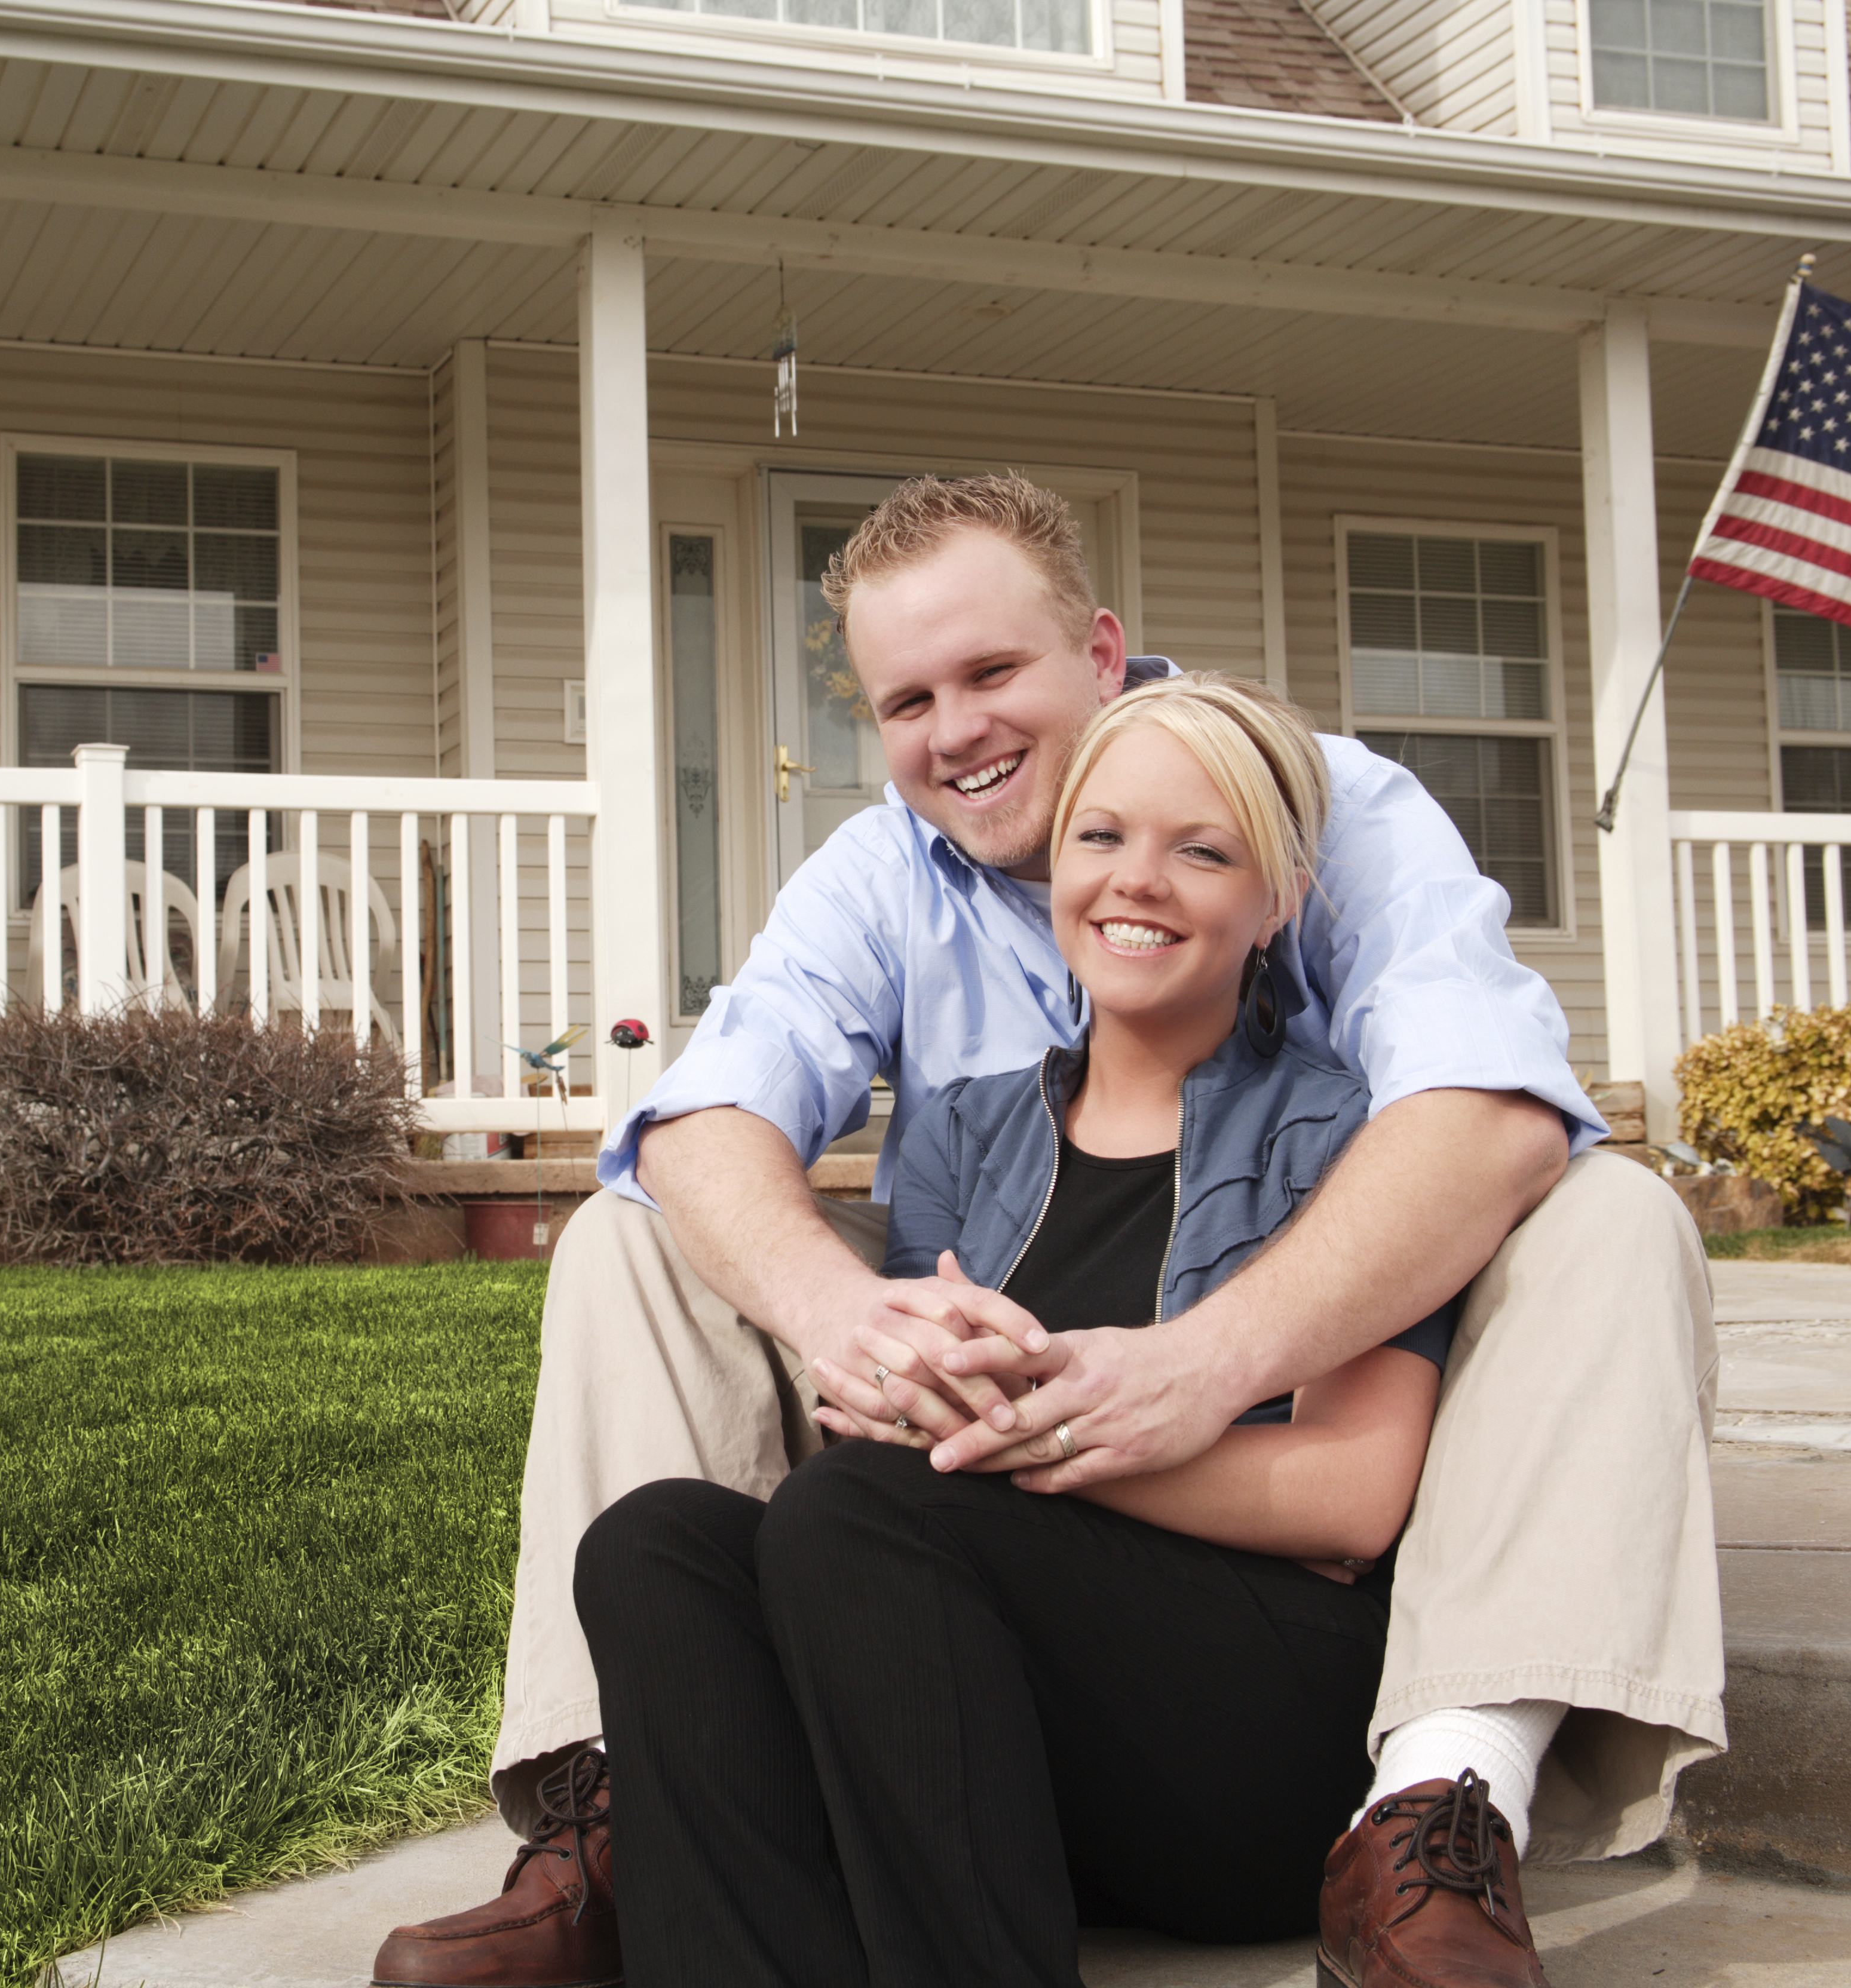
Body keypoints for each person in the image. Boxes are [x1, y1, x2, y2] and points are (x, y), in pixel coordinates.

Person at [370, 475, 1720, 1988]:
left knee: (1610, 1209)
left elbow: (1489, 1110)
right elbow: (704, 1121)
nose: (955, 731)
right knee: (643, 1292)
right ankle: (636, 1811)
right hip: (970, 1547)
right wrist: (847, 1322)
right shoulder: (917, 960)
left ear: (1100, 648)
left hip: (1248, 1569)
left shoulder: (1330, 826)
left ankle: (1433, 1805)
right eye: (908, 698)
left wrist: (1185, 1374)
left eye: (993, 672)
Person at [574, 673, 1479, 1986]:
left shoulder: (1346, 1136)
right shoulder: (963, 1122)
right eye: (1103, 837)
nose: (1138, 881)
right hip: (1017, 1729)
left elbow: (1353, 1495)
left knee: (859, 1507)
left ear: (1277, 900)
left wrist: (1035, 1441)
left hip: (1258, 1725)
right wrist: (903, 1403)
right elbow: (908, 1471)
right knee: (657, 1543)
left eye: (1203, 849)